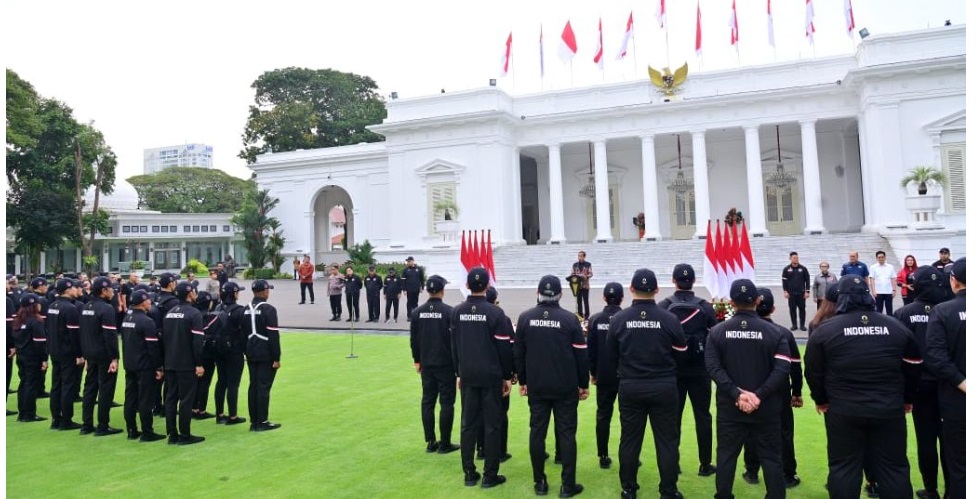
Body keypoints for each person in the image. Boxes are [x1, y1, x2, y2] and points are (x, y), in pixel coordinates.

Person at [805, 276, 921, 499]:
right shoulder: (895, 326)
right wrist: (907, 398)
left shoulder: (825, 330)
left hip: (843, 409)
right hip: (888, 408)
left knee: (844, 468)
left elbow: (813, 371)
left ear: (841, 299)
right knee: (893, 468)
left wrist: (820, 399)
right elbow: (914, 366)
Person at [706, 279, 791, 499]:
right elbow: (782, 370)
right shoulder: (775, 333)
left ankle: (723, 495)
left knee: (726, 456)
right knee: (771, 458)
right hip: (766, 407)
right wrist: (758, 395)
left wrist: (738, 394)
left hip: (730, 408)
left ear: (731, 303)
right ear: (758, 300)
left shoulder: (716, 332)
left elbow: (714, 369)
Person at [607, 268, 687, 499]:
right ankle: (669, 490)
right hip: (663, 385)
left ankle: (628, 488)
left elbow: (611, 356)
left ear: (631, 289)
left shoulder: (619, 319)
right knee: (667, 441)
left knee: (630, 439)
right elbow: (681, 353)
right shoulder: (669, 319)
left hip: (631, 385)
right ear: (657, 290)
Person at [514, 275, 588, 498]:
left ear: (538, 291)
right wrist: (583, 384)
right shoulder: (569, 319)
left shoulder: (526, 318)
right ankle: (567, 485)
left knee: (537, 432)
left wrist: (524, 381)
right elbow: (581, 356)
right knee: (566, 434)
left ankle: (540, 482)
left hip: (537, 384)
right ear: (561, 294)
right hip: (565, 386)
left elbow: (518, 354)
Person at [450, 267, 512, 489]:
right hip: (491, 375)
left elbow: (454, 345)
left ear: (468, 285)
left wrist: (458, 372)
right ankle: (489, 475)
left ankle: (469, 472)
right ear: (487, 286)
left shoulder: (457, 311)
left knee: (468, 424)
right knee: (492, 425)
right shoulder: (496, 314)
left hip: (467, 373)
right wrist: (507, 376)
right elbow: (504, 348)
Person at [894, 266, 949, 499]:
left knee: (926, 438)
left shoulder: (903, 313)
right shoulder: (948, 311)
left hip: (918, 384)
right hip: (950, 383)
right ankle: (953, 489)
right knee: (950, 439)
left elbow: (899, 353)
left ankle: (931, 489)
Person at [659, 263, 718, 477]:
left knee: (672, 418)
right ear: (693, 281)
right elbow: (715, 336)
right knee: (703, 416)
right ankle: (705, 464)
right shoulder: (704, 306)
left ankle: (673, 463)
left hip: (673, 370)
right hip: (700, 369)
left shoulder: (664, 306)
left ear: (674, 281)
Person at [742, 288, 804, 488]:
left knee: (751, 430)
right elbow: (795, 366)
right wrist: (797, 392)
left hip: (751, 388)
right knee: (784, 432)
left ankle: (752, 471)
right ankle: (788, 474)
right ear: (774, 308)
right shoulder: (783, 332)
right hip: (779, 390)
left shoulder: (743, 331)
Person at [925, 257, 965, 499]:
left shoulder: (943, 311)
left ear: (953, 281)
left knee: (960, 464)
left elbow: (936, 357)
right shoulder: (944, 310)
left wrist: (964, 384)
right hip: (957, 395)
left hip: (956, 398)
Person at [409, 275, 460, 454]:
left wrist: (417, 360)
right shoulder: (450, 312)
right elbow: (455, 341)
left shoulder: (417, 312)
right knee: (447, 403)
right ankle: (445, 443)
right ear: (442, 291)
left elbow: (414, 340)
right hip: (446, 364)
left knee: (428, 401)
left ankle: (430, 441)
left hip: (426, 364)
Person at [161, 281, 206, 446]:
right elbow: (197, 342)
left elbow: (163, 340)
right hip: (186, 363)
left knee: (171, 398)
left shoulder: (169, 313)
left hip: (170, 361)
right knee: (186, 399)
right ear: (189, 294)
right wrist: (199, 364)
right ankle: (185, 435)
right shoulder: (194, 314)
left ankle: (172, 434)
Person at [120, 290, 166, 442]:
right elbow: (152, 348)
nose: (150, 303)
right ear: (142, 302)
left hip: (130, 364)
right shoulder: (147, 321)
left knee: (130, 399)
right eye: (148, 301)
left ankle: (132, 430)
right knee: (145, 400)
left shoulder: (127, 318)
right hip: (144, 366)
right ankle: (147, 432)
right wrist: (158, 367)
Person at [587, 282, 624, 470]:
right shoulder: (626, 318)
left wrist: (593, 373)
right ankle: (628, 455)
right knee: (628, 418)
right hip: (624, 376)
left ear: (603, 298)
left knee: (603, 416)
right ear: (622, 298)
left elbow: (591, 351)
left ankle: (603, 455)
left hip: (603, 375)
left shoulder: (595, 319)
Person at [79, 276, 122, 436]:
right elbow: (110, 336)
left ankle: (86, 424)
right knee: (105, 389)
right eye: (111, 288)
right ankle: (103, 425)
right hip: (104, 355)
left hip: (90, 353)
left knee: (90, 388)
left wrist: (84, 354)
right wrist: (114, 358)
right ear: (104, 291)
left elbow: (82, 333)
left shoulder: (85, 307)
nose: (113, 291)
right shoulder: (106, 309)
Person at [45, 279, 84, 430]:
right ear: (68, 290)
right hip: (67, 352)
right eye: (75, 288)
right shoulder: (70, 308)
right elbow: (74, 334)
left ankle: (56, 418)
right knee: (67, 385)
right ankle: (66, 419)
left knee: (56, 385)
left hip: (55, 350)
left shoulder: (52, 306)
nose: (76, 290)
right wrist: (79, 354)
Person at [244, 279, 282, 431]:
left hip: (251, 351)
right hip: (265, 352)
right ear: (264, 291)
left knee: (253, 386)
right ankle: (262, 421)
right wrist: (276, 357)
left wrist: (245, 351)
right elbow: (273, 335)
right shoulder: (269, 309)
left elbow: (242, 334)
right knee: (263, 387)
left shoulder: (245, 308)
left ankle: (254, 421)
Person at [214, 281, 248, 426]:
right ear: (234, 294)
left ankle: (219, 414)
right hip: (234, 351)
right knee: (233, 384)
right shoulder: (239, 310)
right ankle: (232, 416)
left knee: (221, 381)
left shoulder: (218, 307)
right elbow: (244, 332)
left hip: (219, 349)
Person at [14, 293, 48, 422]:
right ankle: (29, 413)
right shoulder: (36, 321)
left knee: (23, 383)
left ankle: (22, 412)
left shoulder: (19, 320)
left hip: (22, 356)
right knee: (31, 385)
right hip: (33, 357)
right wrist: (44, 359)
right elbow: (40, 343)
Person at [191, 291, 219, 420]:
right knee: (204, 383)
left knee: (195, 382)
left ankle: (193, 408)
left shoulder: (192, 315)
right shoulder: (210, 318)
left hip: (191, 354)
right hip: (206, 355)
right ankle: (201, 410)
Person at [781, 251, 811, 331]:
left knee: (802, 309)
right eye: (794, 258)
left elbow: (807, 280)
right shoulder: (786, 269)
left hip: (801, 293)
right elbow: (784, 281)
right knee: (792, 309)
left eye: (797, 258)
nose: (796, 259)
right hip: (791, 294)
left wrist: (807, 291)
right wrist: (785, 291)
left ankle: (802, 325)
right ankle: (794, 325)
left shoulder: (803, 269)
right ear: (790, 258)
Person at [869, 251, 898, 315]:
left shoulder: (890, 267)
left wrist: (894, 290)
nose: (881, 259)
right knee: (879, 310)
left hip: (888, 291)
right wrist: (873, 291)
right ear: (876, 258)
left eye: (882, 257)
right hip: (878, 292)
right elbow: (872, 279)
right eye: (879, 257)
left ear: (885, 257)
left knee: (889, 310)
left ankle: (890, 324)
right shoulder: (873, 267)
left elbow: (893, 278)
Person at [571, 251, 593, 320]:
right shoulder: (575, 265)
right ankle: (580, 314)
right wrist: (574, 276)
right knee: (579, 301)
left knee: (585, 300)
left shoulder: (588, 264)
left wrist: (586, 276)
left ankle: (587, 315)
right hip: (577, 286)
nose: (579, 257)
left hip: (585, 285)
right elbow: (572, 274)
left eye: (581, 256)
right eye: (578, 256)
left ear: (584, 257)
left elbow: (591, 273)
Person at [402, 256, 425, 321]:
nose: (408, 263)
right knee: (409, 302)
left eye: (409, 261)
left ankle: (415, 315)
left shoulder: (419, 269)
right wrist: (404, 289)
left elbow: (422, 279)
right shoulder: (405, 270)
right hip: (409, 289)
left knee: (415, 302)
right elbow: (403, 281)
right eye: (407, 262)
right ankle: (409, 316)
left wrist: (422, 287)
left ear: (413, 261)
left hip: (416, 289)